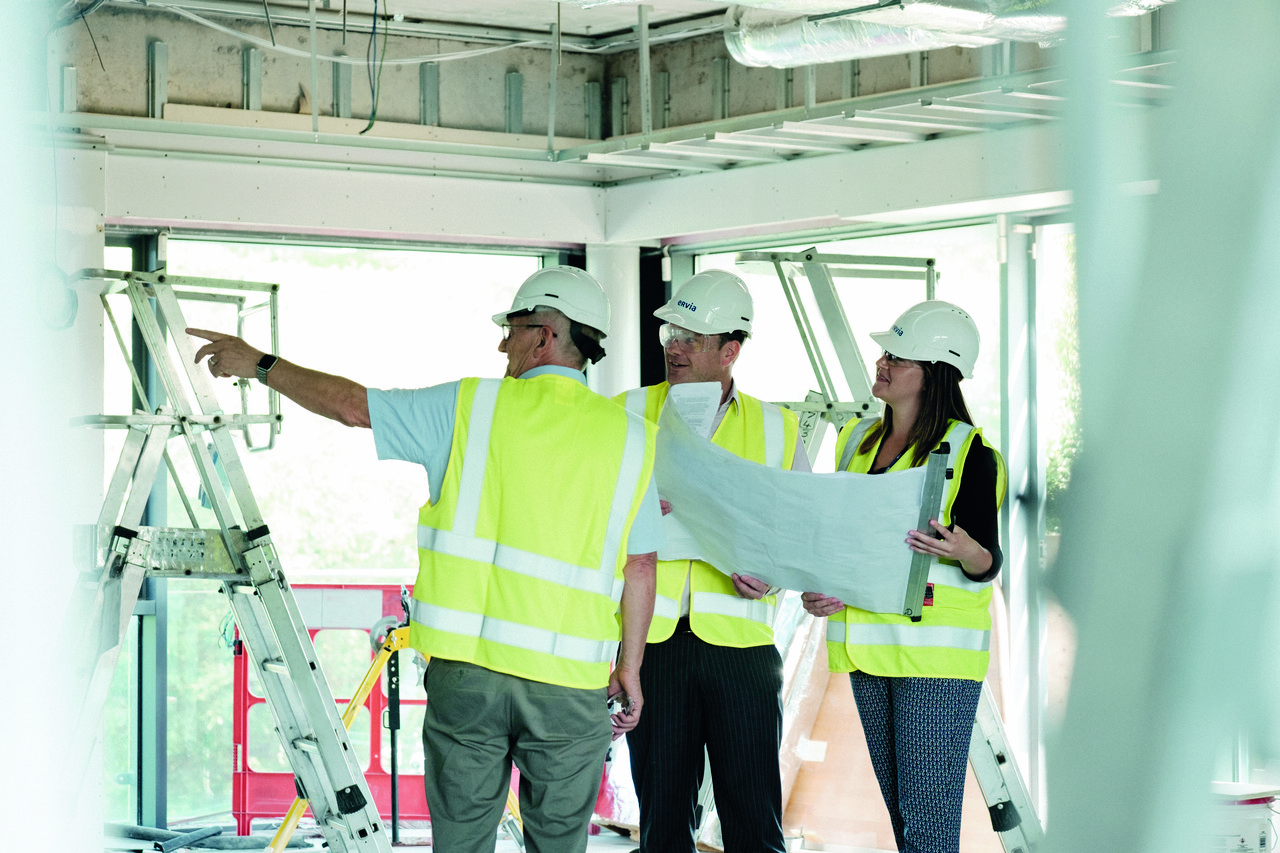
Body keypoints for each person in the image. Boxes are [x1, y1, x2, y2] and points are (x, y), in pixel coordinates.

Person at [188, 266, 662, 853]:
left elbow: (352, 407)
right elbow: (640, 566)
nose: (501, 344)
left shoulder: (471, 407)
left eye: (511, 330)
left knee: (460, 845)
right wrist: (630, 669)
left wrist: (261, 364)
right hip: (571, 688)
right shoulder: (634, 438)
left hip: (468, 677)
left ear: (543, 335)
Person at [615, 269, 810, 853]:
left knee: (753, 821)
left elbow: (799, 529)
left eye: (691, 338)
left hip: (743, 650)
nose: (674, 346)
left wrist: (773, 578)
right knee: (663, 824)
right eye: (670, 333)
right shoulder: (625, 411)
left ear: (731, 350)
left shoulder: (777, 426)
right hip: (652, 643)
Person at [802, 300, 1006, 853]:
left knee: (928, 821)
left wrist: (967, 549)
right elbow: (841, 538)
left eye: (900, 357)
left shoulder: (970, 452)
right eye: (886, 352)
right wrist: (823, 586)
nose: (883, 363)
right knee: (903, 813)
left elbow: (988, 563)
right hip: (870, 650)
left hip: (933, 661)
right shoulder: (857, 442)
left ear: (936, 374)